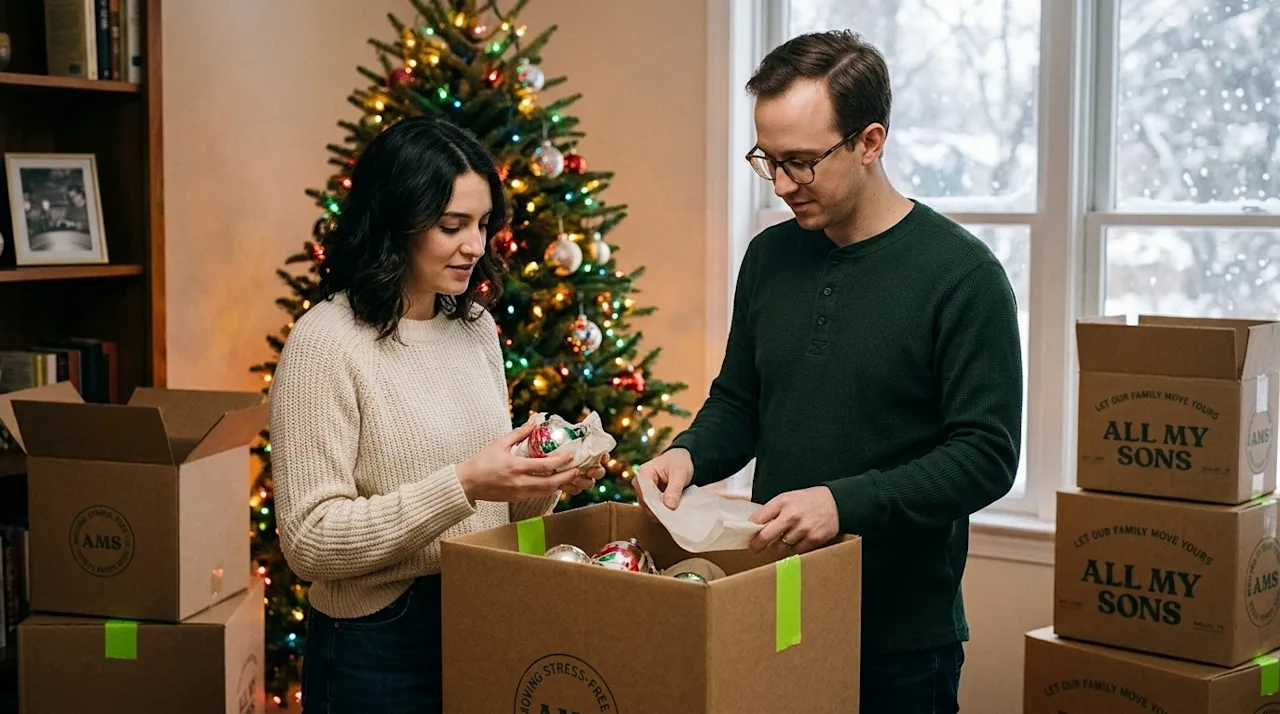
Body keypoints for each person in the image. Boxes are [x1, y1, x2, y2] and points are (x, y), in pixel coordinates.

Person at [635, 30, 1022, 714]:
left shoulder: (962, 276)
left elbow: (986, 457)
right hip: (775, 608)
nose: (782, 185)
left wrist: (843, 504)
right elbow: (740, 402)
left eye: (802, 162)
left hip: (901, 644)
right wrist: (688, 454)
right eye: (768, 160)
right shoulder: (770, 257)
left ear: (870, 142)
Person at [268, 116, 604, 714]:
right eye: (452, 226)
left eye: (482, 224)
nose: (475, 246)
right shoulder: (325, 342)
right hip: (375, 642)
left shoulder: (475, 330)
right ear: (394, 219)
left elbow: (494, 510)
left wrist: (543, 479)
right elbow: (308, 540)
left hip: (482, 610)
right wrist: (463, 483)